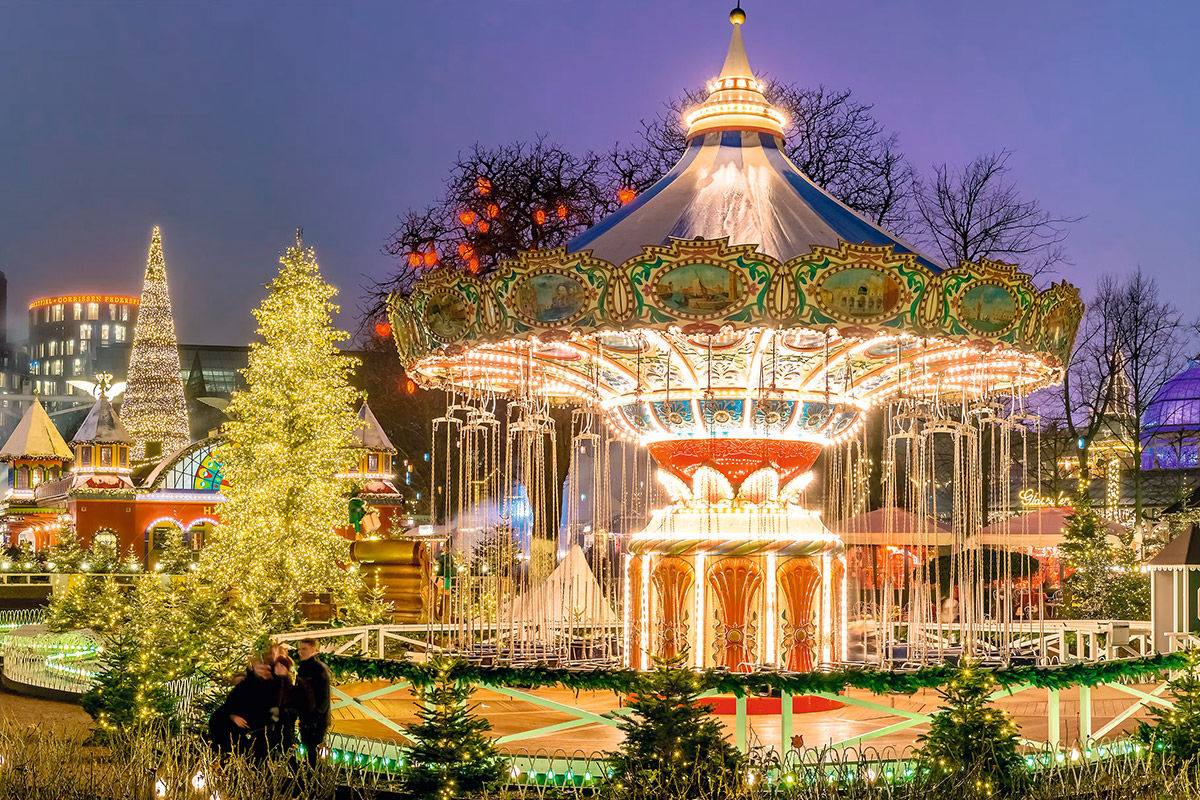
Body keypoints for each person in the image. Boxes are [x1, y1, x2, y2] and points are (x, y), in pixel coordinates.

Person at [209, 652, 277, 758]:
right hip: (239, 733)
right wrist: (232, 716)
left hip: (257, 733)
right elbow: (229, 705)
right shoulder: (246, 685)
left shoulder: (270, 687)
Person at [294, 638, 332, 768]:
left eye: (304, 649)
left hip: (316, 719)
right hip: (306, 717)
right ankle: (311, 777)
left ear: (313, 650)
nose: (301, 652)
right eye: (300, 649)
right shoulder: (303, 668)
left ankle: (315, 779)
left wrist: (315, 717)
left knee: (313, 751)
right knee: (308, 750)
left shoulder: (318, 669)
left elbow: (324, 696)